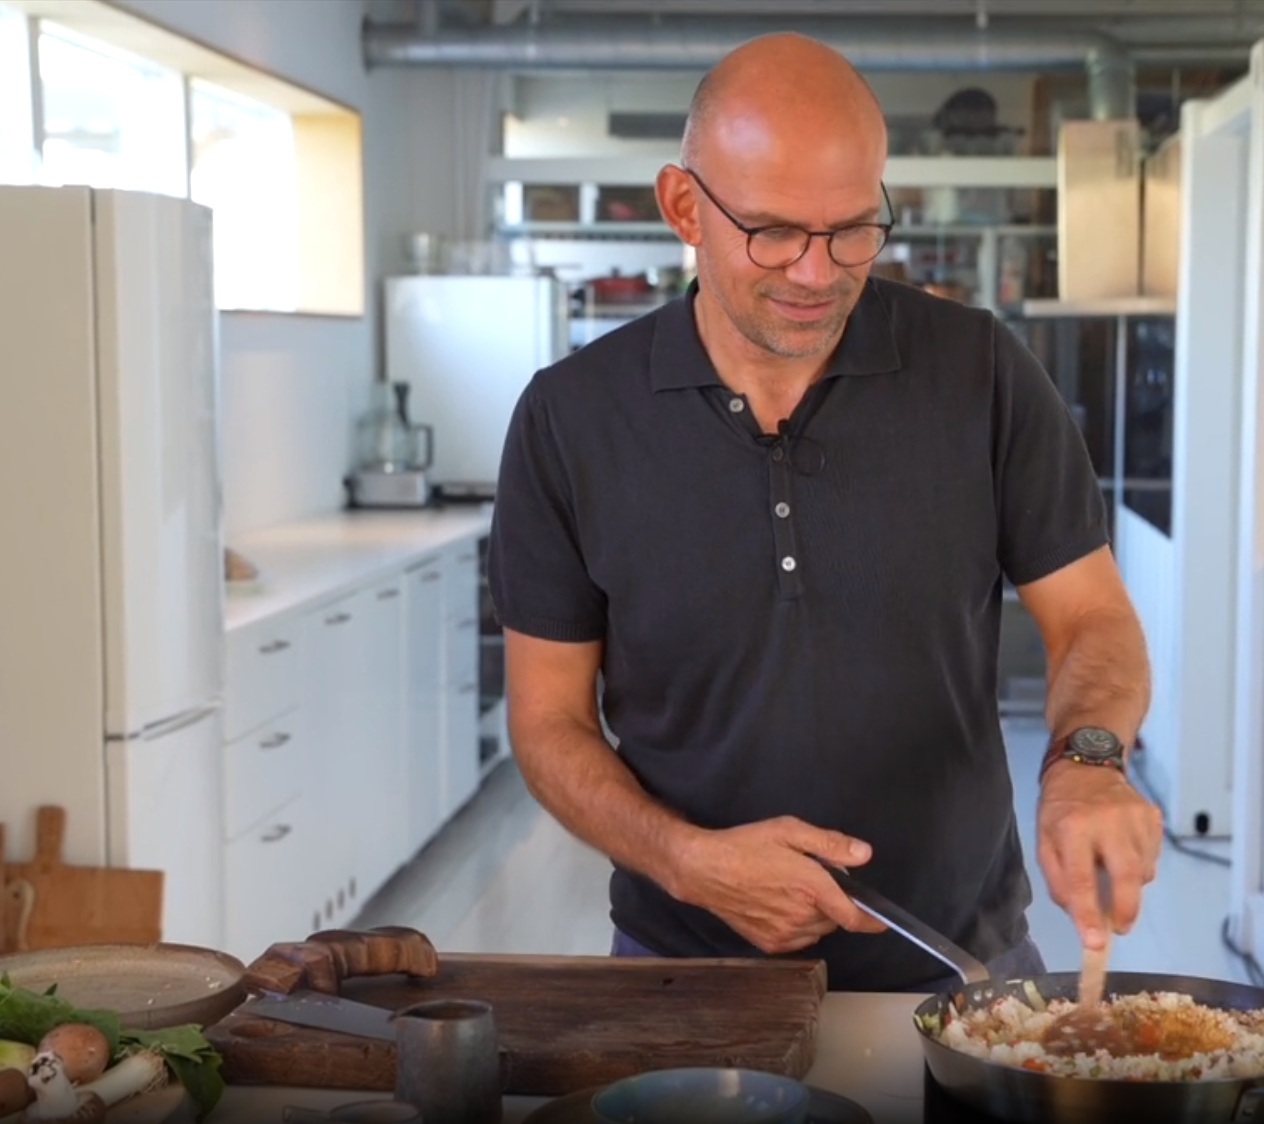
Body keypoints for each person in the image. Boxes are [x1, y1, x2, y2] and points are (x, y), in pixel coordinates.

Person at [487, 32, 1163, 993]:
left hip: (963, 961)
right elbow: (548, 723)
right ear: (683, 207)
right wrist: (686, 861)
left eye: (851, 229)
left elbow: (1093, 617)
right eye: (771, 232)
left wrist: (1088, 760)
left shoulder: (981, 373)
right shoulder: (569, 418)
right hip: (684, 972)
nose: (816, 274)